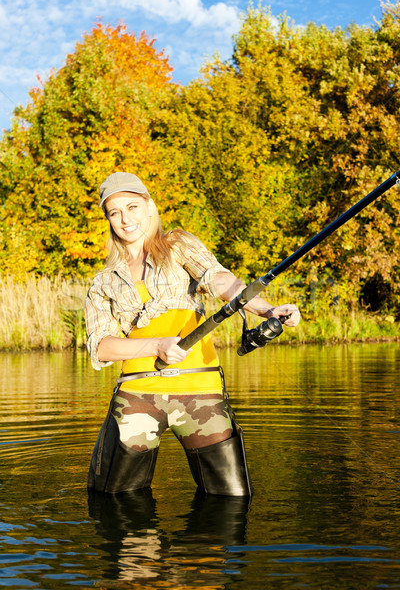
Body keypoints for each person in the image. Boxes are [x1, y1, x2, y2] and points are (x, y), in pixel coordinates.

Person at [85, 172, 301, 496]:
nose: (125, 218)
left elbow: (221, 281)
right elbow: (100, 347)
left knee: (233, 498)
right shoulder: (102, 282)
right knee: (114, 498)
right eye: (115, 212)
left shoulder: (177, 244)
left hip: (201, 388)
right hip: (137, 393)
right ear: (108, 219)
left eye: (132, 207)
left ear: (149, 206)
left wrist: (267, 310)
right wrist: (156, 345)